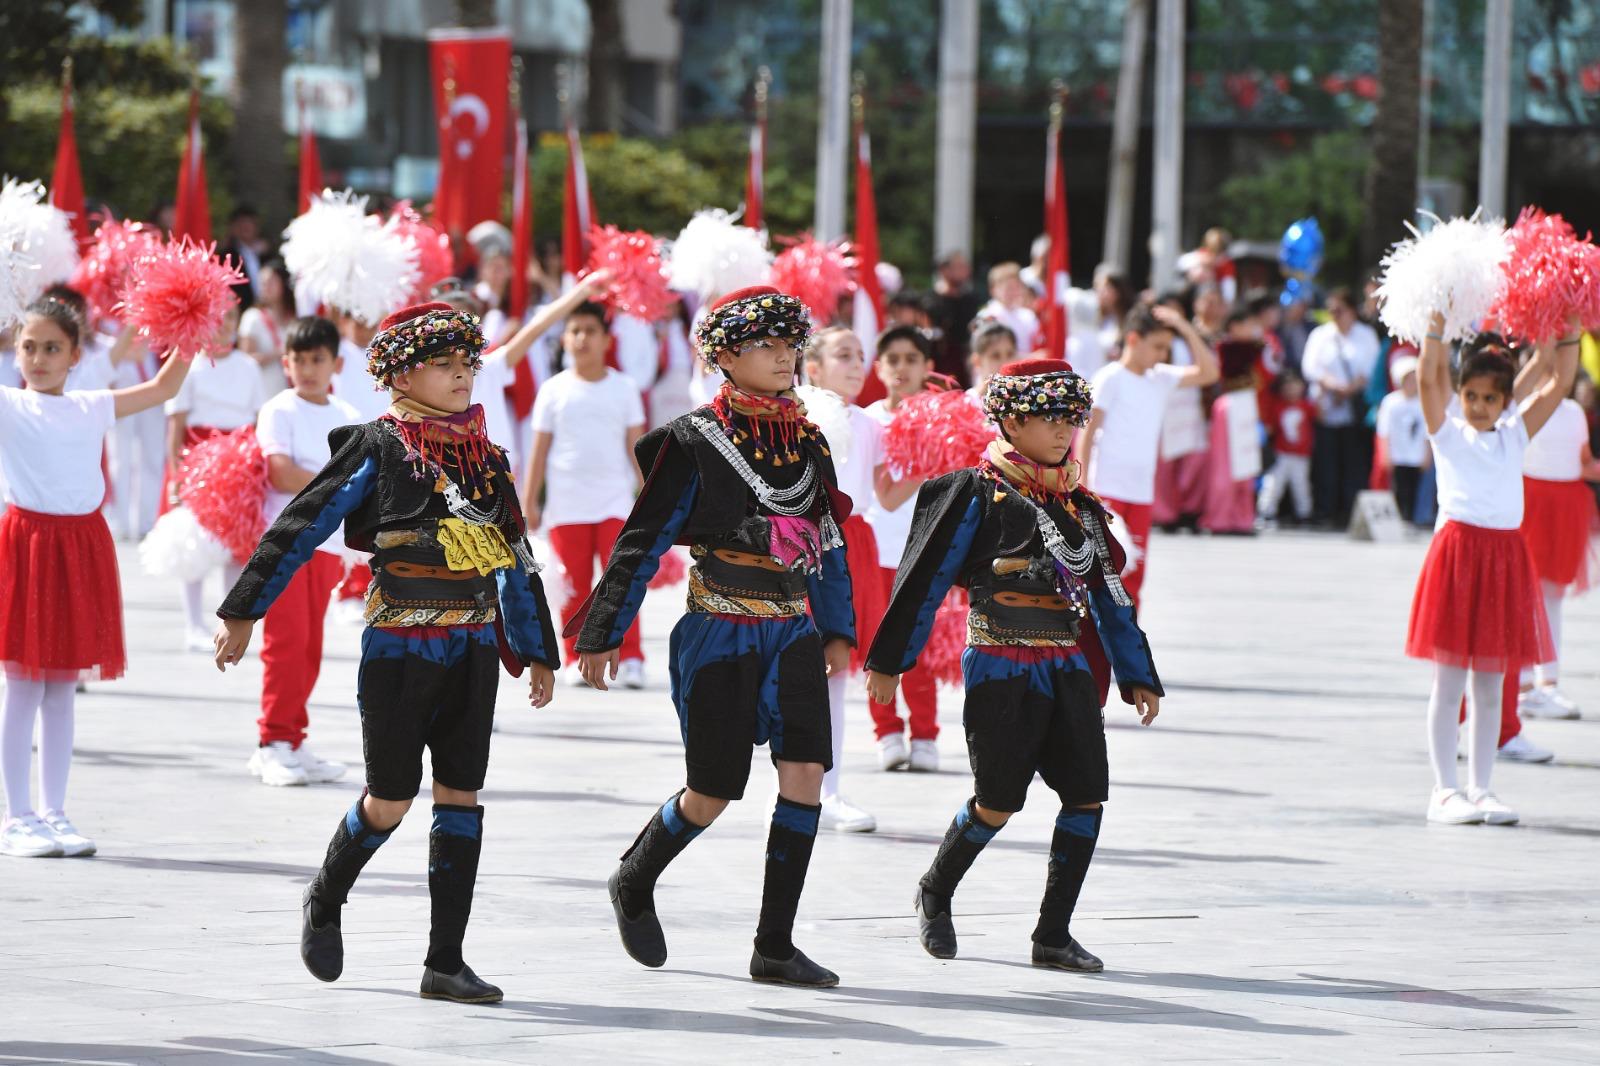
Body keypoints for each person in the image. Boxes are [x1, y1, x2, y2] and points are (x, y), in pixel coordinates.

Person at [214, 301, 560, 1003]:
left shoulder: (489, 459)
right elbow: (302, 523)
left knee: (461, 793)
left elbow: (517, 557)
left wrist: (537, 648)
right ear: (402, 372)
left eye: (468, 364)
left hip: (471, 646)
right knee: (391, 798)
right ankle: (326, 893)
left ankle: (445, 961)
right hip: (400, 643)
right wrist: (244, 608)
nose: (462, 376)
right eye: (445, 365)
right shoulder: (377, 445)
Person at [569, 285, 854, 988]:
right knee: (713, 790)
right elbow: (642, 540)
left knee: (807, 776)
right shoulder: (691, 441)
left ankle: (775, 945)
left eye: (792, 345)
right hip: (719, 629)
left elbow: (828, 538)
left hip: (791, 630)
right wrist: (605, 627)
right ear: (723, 355)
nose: (786, 356)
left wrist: (839, 629)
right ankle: (634, 878)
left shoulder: (808, 440)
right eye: (768, 345)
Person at [865, 358, 1162, 972]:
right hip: (1001, 661)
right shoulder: (972, 493)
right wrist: (892, 659)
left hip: (1068, 666)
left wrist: (1136, 673)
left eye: (1071, 419)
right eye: (1049, 418)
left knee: (1085, 798)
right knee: (997, 800)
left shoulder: (1082, 506)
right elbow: (923, 580)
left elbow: (1109, 594)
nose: (1063, 431)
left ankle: (1053, 934)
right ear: (1010, 419)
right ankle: (936, 889)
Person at [0, 297, 192, 858]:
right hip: (26, 547)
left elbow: (162, 388)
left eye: (52, 348)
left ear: (76, 354)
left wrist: (192, 328)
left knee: (61, 686)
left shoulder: (91, 405)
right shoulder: (8, 404)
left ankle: (54, 812)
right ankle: (17, 815)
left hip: (79, 546)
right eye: (28, 347)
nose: (37, 358)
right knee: (22, 687)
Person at [1406, 316, 1577, 826]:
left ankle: (1482, 788)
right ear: (1459, 395)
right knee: (1450, 682)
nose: (1479, 406)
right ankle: (1444, 790)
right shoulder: (1446, 433)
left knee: (1491, 685)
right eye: (1471, 396)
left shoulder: (1514, 434)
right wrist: (1435, 328)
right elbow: (1426, 377)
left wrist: (1562, 321)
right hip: (1458, 559)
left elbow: (1560, 377)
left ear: (1505, 402)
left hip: (1504, 559)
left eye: (1490, 398)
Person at [245, 316, 361, 788]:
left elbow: (361, 480)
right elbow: (278, 471)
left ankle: (293, 738)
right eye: (299, 360)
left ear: (336, 363)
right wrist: (334, 484)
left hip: (329, 544)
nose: (308, 369)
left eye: (318, 360)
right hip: (287, 541)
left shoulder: (348, 413)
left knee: (311, 646)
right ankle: (271, 742)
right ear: (286, 361)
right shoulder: (279, 408)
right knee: (285, 643)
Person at [523, 300, 649, 688]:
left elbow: (636, 448)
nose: (581, 339)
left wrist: (649, 500)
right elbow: (539, 451)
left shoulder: (624, 388)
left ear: (606, 339)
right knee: (573, 584)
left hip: (614, 501)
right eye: (574, 331)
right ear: (564, 339)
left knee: (621, 580)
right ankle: (575, 654)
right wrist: (530, 503)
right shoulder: (553, 389)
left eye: (590, 331)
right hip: (566, 505)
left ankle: (630, 656)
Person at [1077, 304, 1219, 603]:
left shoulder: (1161, 378)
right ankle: (1095, 645)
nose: (1162, 355)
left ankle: (1127, 645)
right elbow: (1088, 432)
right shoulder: (1110, 376)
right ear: (1133, 339)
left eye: (1167, 348)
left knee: (1134, 578)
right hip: (1107, 490)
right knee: (1103, 574)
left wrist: (1183, 326)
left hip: (1141, 493)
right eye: (1157, 347)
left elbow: (1209, 372)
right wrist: (1084, 487)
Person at [800, 326, 882, 833]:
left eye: (860, 356)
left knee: (839, 668)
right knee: (798, 666)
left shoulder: (869, 424)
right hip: (807, 540)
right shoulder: (799, 416)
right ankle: (792, 785)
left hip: (856, 547)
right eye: (843, 355)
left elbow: (883, 495)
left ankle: (828, 789)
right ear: (813, 368)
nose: (856, 364)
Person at [163, 306, 266, 649]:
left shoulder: (249, 367)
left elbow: (256, 421)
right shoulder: (189, 365)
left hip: (238, 462)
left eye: (230, 322)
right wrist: (177, 473)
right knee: (194, 543)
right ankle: (192, 623)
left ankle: (229, 618)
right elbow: (176, 425)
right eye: (217, 321)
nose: (224, 329)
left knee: (237, 546)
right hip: (198, 462)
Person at [864, 326, 941, 770]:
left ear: (927, 367)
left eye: (912, 358)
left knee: (923, 648)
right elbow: (887, 496)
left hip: (926, 550)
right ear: (880, 368)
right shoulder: (869, 421)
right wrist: (927, 463)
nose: (902, 367)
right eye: (892, 359)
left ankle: (927, 734)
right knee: (879, 646)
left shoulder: (942, 420)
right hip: (878, 552)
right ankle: (887, 730)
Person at [1515, 378, 1599, 720]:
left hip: (1565, 505)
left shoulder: (1574, 411)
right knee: (1524, 593)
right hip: (1530, 501)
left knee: (1552, 595)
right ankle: (1522, 684)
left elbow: (1582, 462)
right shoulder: (1523, 405)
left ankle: (1548, 682)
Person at [1302, 287, 1381, 527]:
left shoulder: (1365, 335)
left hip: (1354, 407)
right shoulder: (1320, 334)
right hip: (1326, 405)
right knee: (1326, 461)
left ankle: (1350, 511)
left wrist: (1350, 388)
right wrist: (1332, 386)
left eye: (1340, 310)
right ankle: (1326, 509)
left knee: (1353, 461)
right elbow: (1310, 367)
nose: (1335, 315)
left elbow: (1372, 367)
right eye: (1331, 310)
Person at [1257, 371, 1317, 527]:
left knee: (1301, 485)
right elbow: (1270, 428)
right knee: (1273, 484)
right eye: (1287, 387)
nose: (1291, 390)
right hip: (1281, 454)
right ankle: (1266, 513)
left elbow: (1320, 416)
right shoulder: (1276, 406)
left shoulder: (1307, 406)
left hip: (1301, 455)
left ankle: (1304, 514)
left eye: (1294, 386)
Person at [1375, 355, 1428, 525]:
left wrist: (1427, 455)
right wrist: (1385, 454)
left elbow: (1428, 432)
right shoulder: (1391, 402)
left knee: (1413, 488)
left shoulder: (1423, 403)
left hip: (1416, 454)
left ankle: (1410, 518)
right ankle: (1396, 520)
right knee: (1398, 487)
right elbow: (1384, 430)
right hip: (1397, 453)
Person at [238, 259, 297, 395]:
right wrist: (277, 353)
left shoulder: (294, 317)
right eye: (262, 283)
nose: (265, 287)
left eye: (271, 282)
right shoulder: (252, 317)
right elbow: (245, 361)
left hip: (291, 393)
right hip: (264, 393)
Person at [977, 263, 1040, 355]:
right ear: (993, 290)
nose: (1014, 292)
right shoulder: (987, 316)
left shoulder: (1028, 315)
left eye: (1017, 287)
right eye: (1009, 288)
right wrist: (1031, 357)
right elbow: (991, 353)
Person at [968, 320, 1018, 398]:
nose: (1005, 363)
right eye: (995, 356)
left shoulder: (1024, 399)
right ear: (977, 361)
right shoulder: (967, 403)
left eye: (1010, 354)